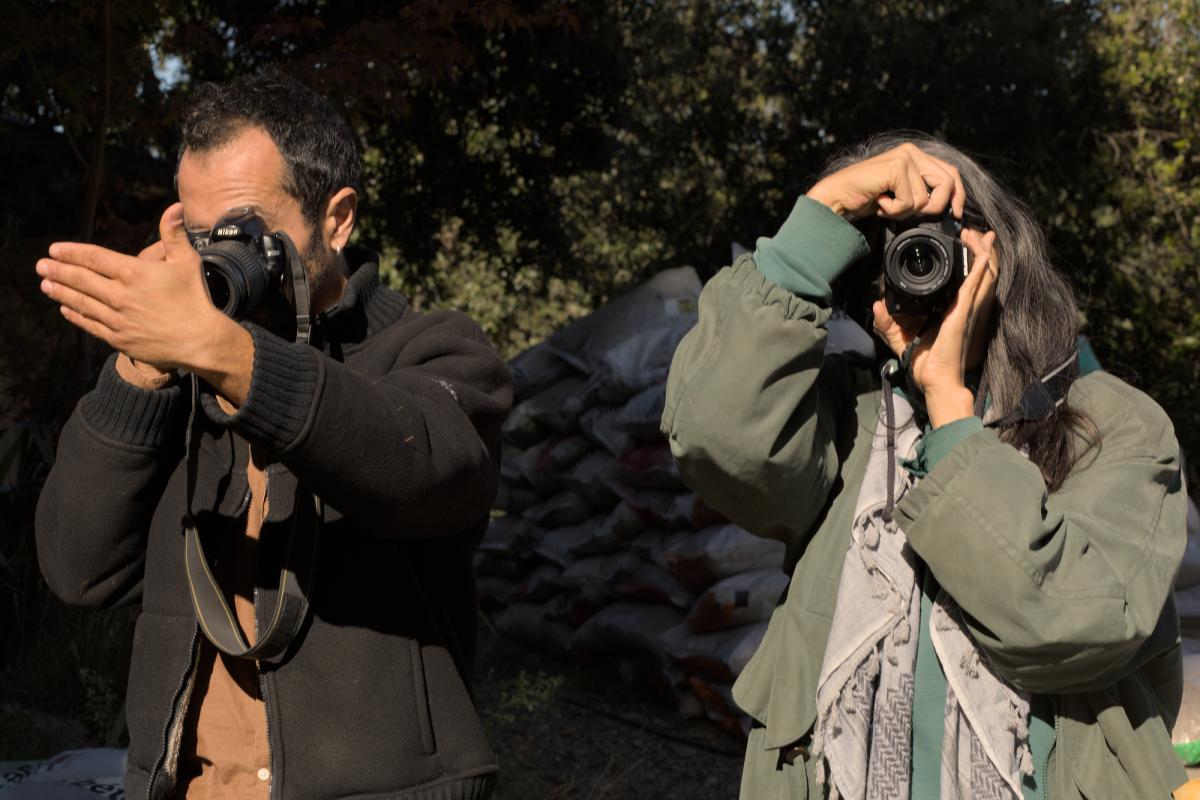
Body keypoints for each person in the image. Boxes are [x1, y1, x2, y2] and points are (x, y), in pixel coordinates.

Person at [662, 134, 1188, 799]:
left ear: (999, 254)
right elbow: (716, 440)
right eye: (896, 257)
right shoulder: (848, 421)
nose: (920, 269)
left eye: (939, 245)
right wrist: (821, 216)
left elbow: (1068, 623)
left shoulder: (1108, 421)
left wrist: (949, 407)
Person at [34, 70, 511, 800]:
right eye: (200, 233)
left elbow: (416, 469)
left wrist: (226, 355)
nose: (220, 253)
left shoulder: (437, 352)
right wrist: (140, 368)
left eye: (244, 228)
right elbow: (77, 568)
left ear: (338, 218)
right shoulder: (180, 378)